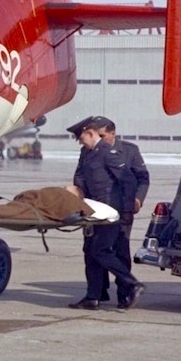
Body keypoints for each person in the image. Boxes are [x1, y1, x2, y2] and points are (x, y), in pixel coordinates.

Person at [68, 117, 144, 310]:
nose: (80, 142)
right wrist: (78, 192)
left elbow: (129, 180)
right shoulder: (87, 153)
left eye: (82, 138)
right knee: (91, 252)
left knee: (102, 250)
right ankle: (93, 297)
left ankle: (131, 284)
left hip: (111, 212)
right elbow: (80, 176)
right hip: (94, 212)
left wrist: (127, 208)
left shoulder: (107, 153)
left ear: (91, 133)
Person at [96, 117, 151, 285]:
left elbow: (142, 178)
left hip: (123, 209)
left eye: (102, 135)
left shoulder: (129, 151)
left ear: (113, 134)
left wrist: (138, 200)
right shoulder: (91, 150)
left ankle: (125, 292)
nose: (99, 139)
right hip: (99, 209)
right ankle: (98, 292)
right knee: (95, 251)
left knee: (121, 250)